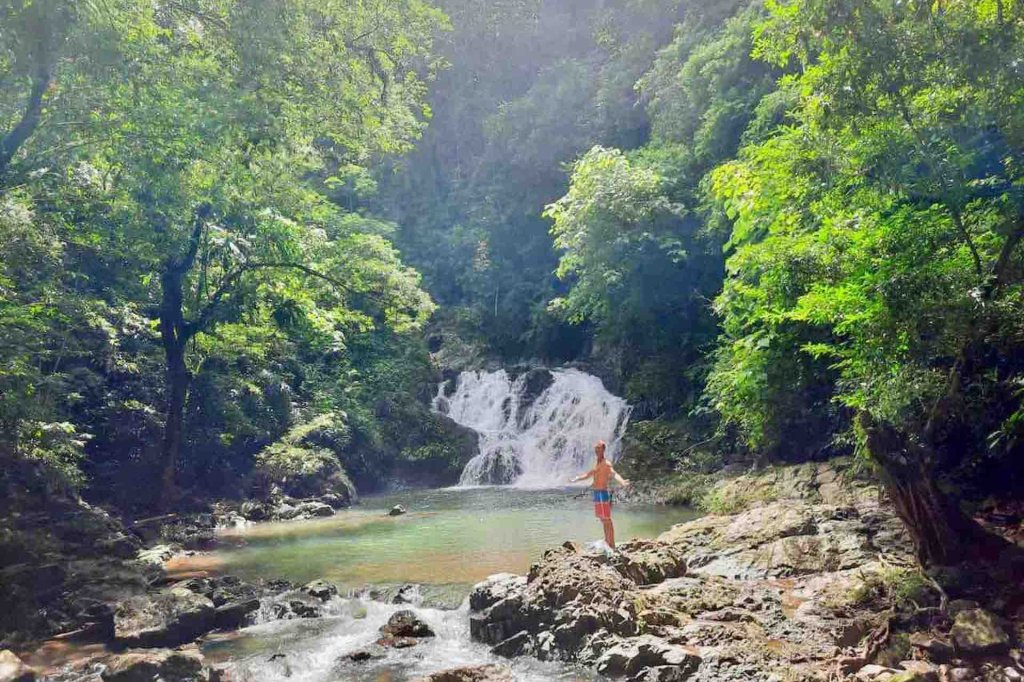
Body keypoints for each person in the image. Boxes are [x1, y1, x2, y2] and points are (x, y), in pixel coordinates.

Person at [570, 440, 629, 550]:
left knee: (607, 519)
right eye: (595, 448)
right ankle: (607, 541)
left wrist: (622, 482)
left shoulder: (606, 463)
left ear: (603, 449)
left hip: (602, 493)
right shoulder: (596, 463)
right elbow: (588, 474)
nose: (596, 450)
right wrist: (576, 479)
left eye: (598, 448)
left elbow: (614, 473)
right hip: (597, 493)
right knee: (603, 519)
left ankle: (612, 544)